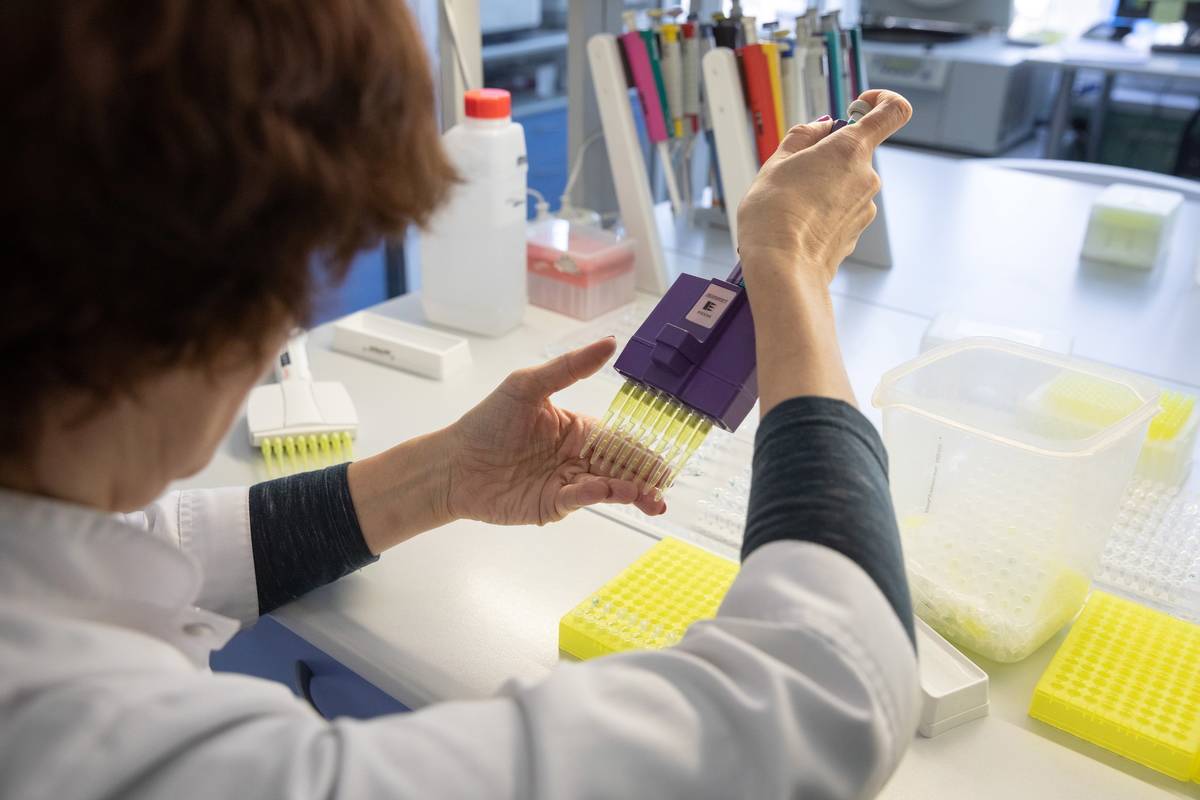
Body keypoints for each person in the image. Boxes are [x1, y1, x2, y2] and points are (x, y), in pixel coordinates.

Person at [0, 2, 916, 798]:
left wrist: (442, 476)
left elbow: (153, 550)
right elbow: (824, 690)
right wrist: (789, 262)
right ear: (177, 297)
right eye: (291, 276)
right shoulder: (100, 750)